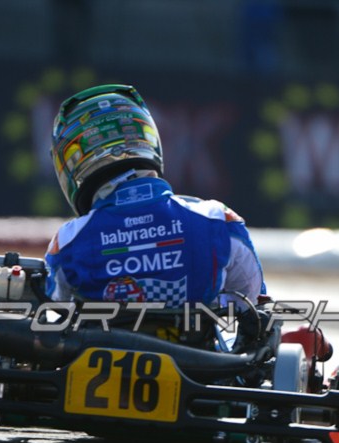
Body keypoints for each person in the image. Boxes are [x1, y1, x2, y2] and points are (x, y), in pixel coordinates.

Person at [45, 84, 265, 309]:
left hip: (103, 332)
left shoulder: (69, 240)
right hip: (196, 332)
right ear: (147, 137)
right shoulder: (216, 218)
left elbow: (52, 312)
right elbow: (254, 306)